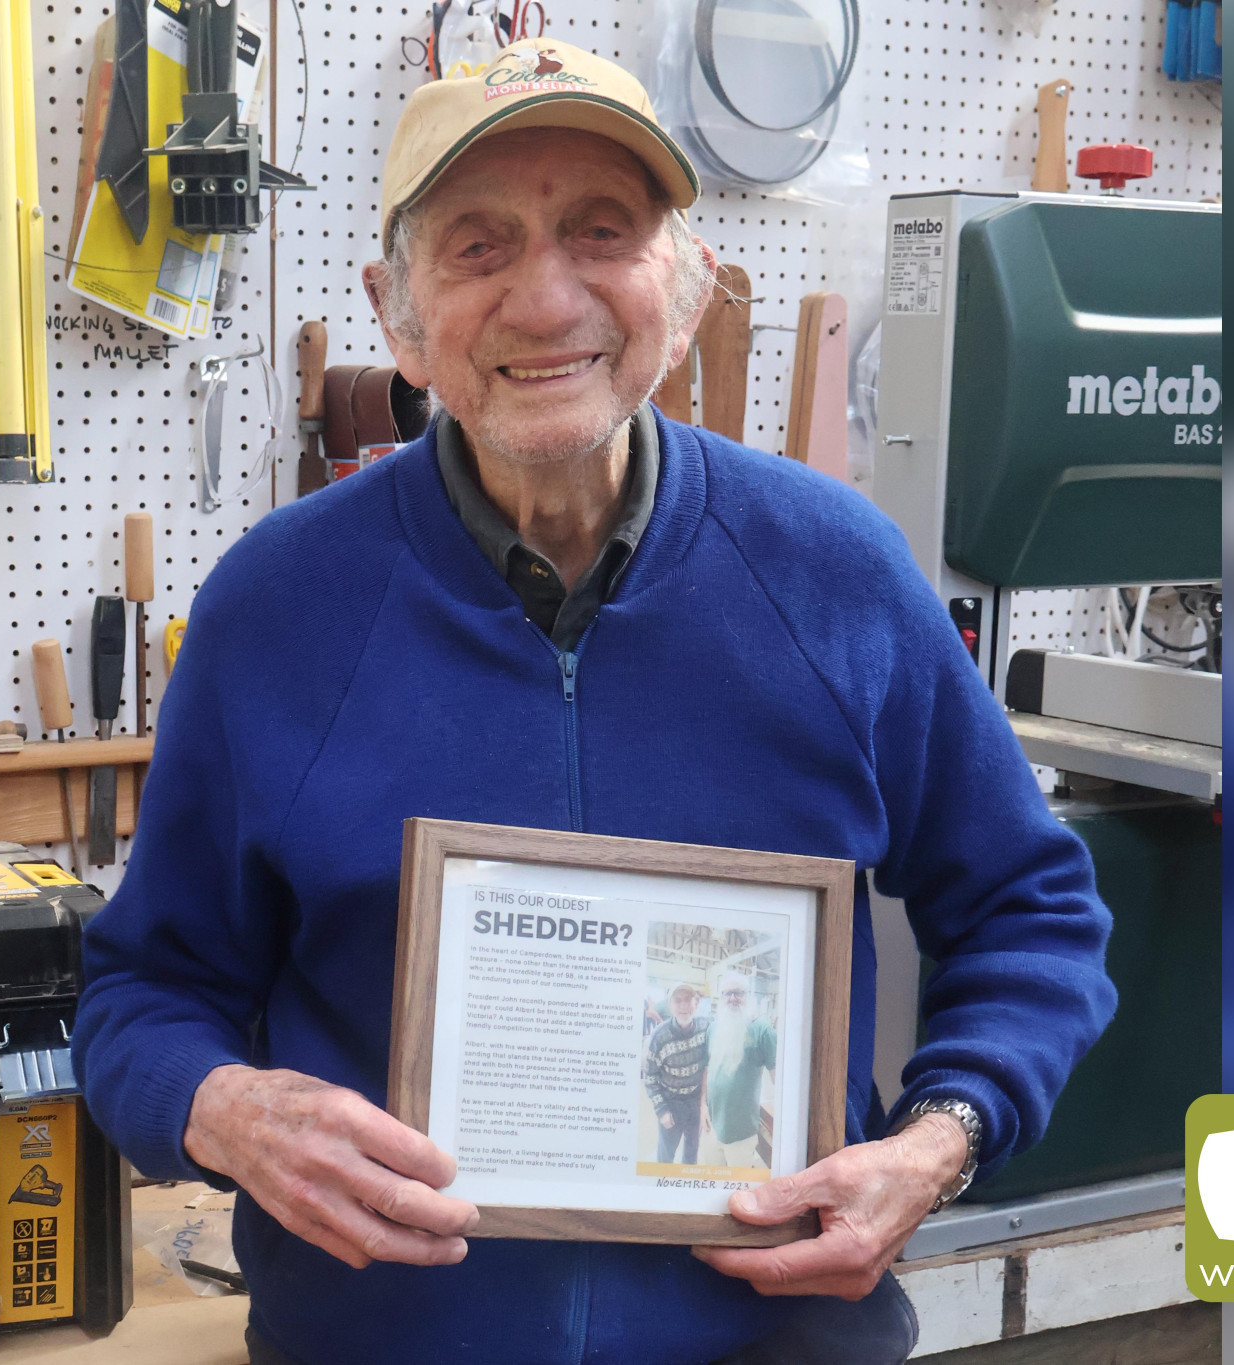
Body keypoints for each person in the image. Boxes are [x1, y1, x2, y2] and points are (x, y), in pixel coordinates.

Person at [73, 36, 1116, 1365]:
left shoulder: (837, 576)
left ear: (683, 290)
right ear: (394, 312)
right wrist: (220, 1108)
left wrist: (939, 1141)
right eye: (480, 245)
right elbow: (141, 993)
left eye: (602, 233)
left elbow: (1034, 911)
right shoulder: (275, 611)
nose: (546, 297)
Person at [699, 972, 777, 1170]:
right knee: (712, 1180)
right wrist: (702, 1106)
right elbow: (706, 1070)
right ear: (721, 998)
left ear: (747, 996)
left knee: (737, 1189)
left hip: (741, 1131)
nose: (733, 998)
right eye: (727, 993)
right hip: (711, 1126)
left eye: (738, 993)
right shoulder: (713, 1028)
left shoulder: (762, 1030)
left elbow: (778, 1078)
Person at [644, 982, 709, 1164]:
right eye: (677, 1000)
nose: (683, 1005)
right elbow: (649, 1078)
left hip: (695, 1103)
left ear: (696, 1004)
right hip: (670, 1102)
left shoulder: (706, 1027)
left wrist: (705, 1105)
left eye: (688, 999)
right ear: (670, 1005)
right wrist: (661, 1110)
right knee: (666, 1156)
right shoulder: (659, 1036)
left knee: (691, 1155)